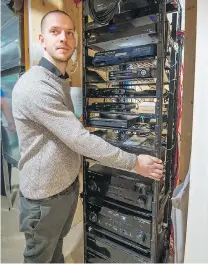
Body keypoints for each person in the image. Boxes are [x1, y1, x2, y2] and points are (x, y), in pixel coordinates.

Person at [12, 10, 163, 263]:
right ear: (42, 39)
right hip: (44, 199)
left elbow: (62, 131)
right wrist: (134, 163)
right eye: (55, 32)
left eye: (69, 32)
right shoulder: (35, 86)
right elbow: (79, 140)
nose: (64, 38)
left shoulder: (58, 79)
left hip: (65, 189)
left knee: (55, 252)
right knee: (40, 258)